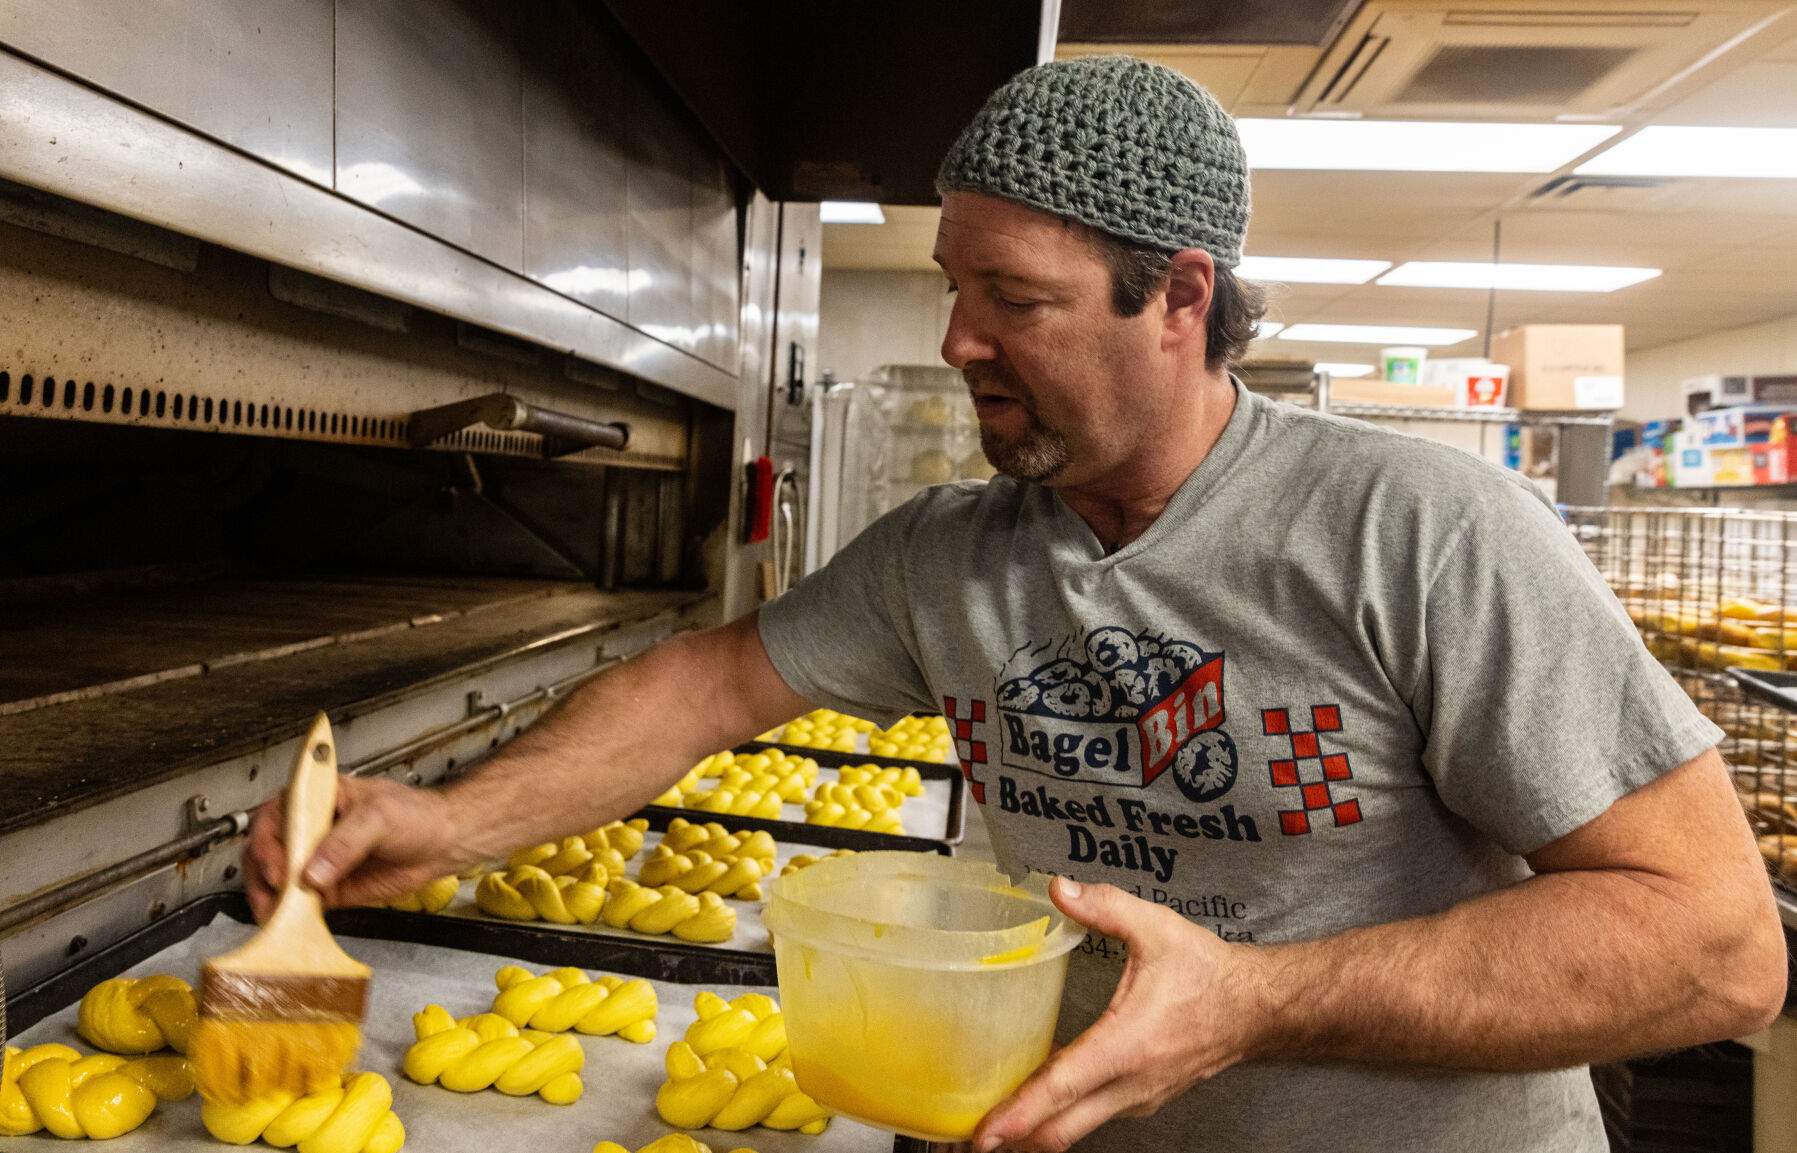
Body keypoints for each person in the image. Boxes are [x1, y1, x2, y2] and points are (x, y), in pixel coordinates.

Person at [246, 55, 1786, 1152]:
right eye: (953, 286)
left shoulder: (1423, 531)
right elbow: (708, 687)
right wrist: (452, 822)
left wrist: (1247, 1002)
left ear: (1178, 298)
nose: (958, 340)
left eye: (1016, 300)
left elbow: (1715, 946)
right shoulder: (951, 554)